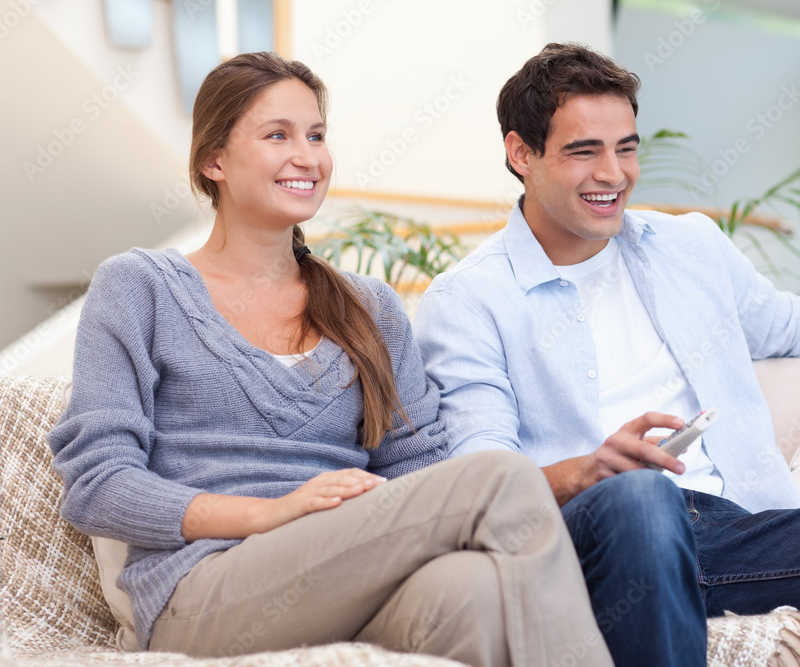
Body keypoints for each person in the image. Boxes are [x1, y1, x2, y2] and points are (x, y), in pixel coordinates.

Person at [47, 51, 612, 667]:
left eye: (316, 135)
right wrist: (270, 515)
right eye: (277, 135)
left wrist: (370, 521)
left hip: (347, 583)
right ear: (214, 161)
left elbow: (417, 466)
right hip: (204, 594)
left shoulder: (368, 307)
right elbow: (99, 486)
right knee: (500, 476)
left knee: (472, 594)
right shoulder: (140, 287)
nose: (308, 156)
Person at [414, 42, 800, 666]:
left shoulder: (689, 246)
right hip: (592, 540)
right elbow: (481, 480)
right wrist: (591, 471)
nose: (613, 173)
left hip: (741, 536)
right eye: (583, 151)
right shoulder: (468, 299)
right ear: (521, 154)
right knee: (641, 496)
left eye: (626, 148)